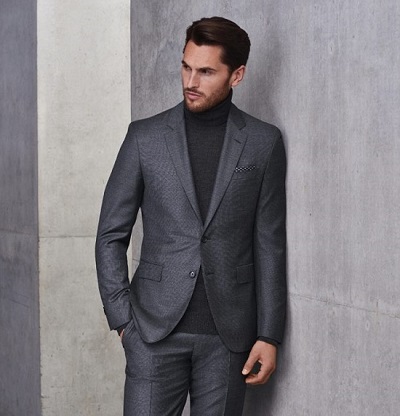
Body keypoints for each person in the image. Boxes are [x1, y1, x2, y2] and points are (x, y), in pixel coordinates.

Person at [96, 16, 287, 416]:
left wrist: (269, 334)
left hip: (228, 339)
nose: (190, 81)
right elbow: (111, 234)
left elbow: (269, 244)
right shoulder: (144, 137)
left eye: (206, 72)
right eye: (186, 67)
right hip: (152, 332)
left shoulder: (262, 142)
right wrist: (123, 320)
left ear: (237, 75)